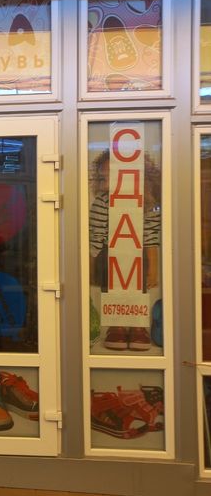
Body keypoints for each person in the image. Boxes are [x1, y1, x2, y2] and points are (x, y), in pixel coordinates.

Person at [89, 148, 161, 350]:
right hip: (109, 254)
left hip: (137, 254)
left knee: (138, 288)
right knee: (111, 288)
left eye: (110, 176)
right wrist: (91, 267)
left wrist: (153, 268)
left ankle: (138, 326)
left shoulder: (146, 201)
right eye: (102, 177)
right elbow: (95, 237)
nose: (105, 182)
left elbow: (151, 236)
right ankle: (116, 325)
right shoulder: (102, 201)